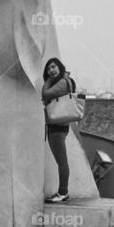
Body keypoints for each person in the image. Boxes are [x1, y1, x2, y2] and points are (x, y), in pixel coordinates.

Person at [42, 57, 74, 203]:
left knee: (62, 161)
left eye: (53, 67)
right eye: (49, 69)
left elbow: (46, 94)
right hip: (58, 125)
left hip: (57, 127)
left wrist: (47, 80)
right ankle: (62, 191)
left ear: (60, 67)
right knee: (61, 161)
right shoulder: (62, 81)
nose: (51, 70)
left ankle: (63, 192)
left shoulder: (62, 82)